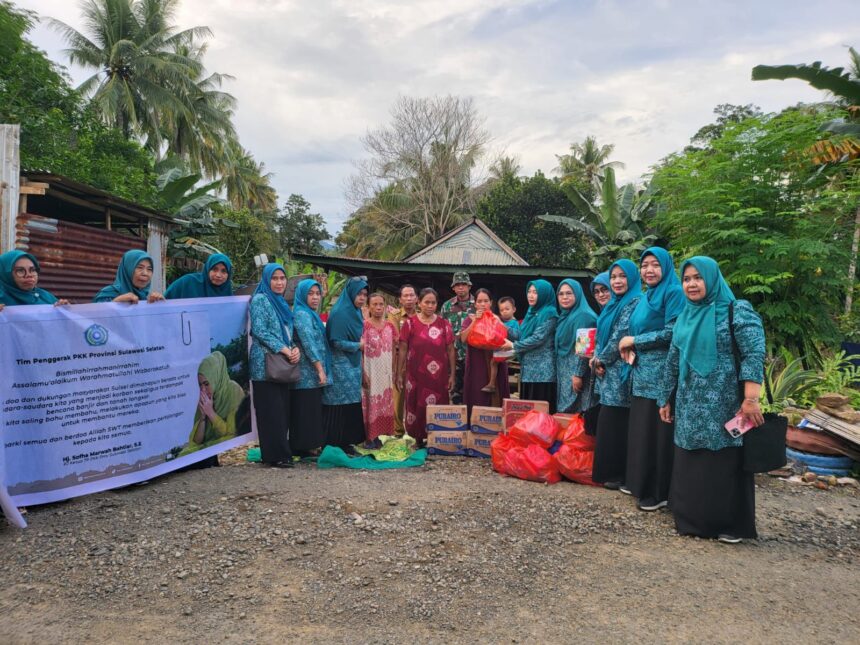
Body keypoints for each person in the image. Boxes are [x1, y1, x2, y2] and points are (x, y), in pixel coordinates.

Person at [659, 257, 765, 544]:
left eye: (698, 278)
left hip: (726, 402)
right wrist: (664, 398)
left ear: (712, 279)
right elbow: (673, 359)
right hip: (690, 403)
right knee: (691, 459)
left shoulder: (736, 311)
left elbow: (754, 354)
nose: (691, 284)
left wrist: (751, 399)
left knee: (723, 461)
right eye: (686, 279)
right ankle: (692, 520)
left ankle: (728, 524)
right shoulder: (685, 315)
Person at [618, 248, 685, 511]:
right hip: (641, 373)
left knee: (659, 434)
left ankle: (660, 492)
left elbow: (673, 332)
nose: (649, 270)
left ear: (666, 267)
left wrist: (636, 341)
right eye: (644, 265)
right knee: (643, 432)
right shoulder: (647, 296)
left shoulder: (674, 292)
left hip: (662, 375)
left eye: (655, 265)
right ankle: (641, 483)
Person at [591, 259, 641, 489]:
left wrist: (601, 359)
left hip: (622, 372)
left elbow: (620, 335)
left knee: (616, 422)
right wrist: (595, 358)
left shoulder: (634, 302)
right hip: (606, 372)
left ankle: (618, 473)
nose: (617, 281)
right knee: (611, 421)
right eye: (614, 277)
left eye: (622, 277)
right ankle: (612, 473)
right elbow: (602, 338)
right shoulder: (613, 306)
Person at [249, 263, 301, 468]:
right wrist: (285, 349)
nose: (279, 283)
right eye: (275, 278)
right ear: (266, 280)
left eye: (282, 278)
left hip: (281, 363)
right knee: (270, 410)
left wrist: (294, 348)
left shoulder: (281, 303)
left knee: (281, 410)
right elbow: (260, 331)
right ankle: (273, 455)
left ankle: (282, 452)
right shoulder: (260, 299)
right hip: (264, 364)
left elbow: (287, 333)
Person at [397, 287, 456, 446]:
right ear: (419, 303)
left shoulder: (444, 324)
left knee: (438, 403)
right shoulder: (410, 324)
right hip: (415, 375)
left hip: (439, 376)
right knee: (416, 403)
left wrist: (452, 375)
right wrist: (398, 373)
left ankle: (436, 438)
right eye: (427, 302)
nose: (430, 306)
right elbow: (402, 349)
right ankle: (418, 438)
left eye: (433, 303)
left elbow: (451, 350)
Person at [323, 276, 369, 452]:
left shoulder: (355, 312)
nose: (362, 298)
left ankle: (348, 442)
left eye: (365, 294)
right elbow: (335, 341)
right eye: (359, 294)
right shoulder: (340, 313)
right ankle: (335, 442)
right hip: (339, 366)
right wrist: (359, 345)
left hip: (352, 366)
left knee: (350, 406)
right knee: (338, 406)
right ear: (350, 293)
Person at [290, 278, 332, 458]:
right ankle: (304, 446)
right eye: (310, 294)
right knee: (306, 408)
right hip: (306, 372)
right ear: (301, 295)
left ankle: (309, 445)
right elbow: (308, 343)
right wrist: (319, 368)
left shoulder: (310, 313)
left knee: (311, 407)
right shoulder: (301, 314)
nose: (315, 298)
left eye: (318, 293)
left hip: (311, 372)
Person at [501, 280, 558, 410]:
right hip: (528, 370)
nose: (531, 295)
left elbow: (538, 338)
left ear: (544, 294)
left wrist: (514, 346)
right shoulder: (531, 312)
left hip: (543, 373)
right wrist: (501, 325)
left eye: (535, 292)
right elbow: (521, 334)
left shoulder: (549, 313)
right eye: (529, 292)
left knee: (540, 413)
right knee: (528, 413)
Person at [179, 351, 245, 456]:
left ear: (216, 377)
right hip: (211, 445)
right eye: (200, 385)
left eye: (206, 384)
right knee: (184, 454)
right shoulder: (205, 399)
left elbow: (231, 433)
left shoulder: (233, 390)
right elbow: (196, 442)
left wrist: (211, 413)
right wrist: (203, 418)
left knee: (229, 440)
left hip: (229, 443)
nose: (203, 390)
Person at [555, 279, 599, 426]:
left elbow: (584, 349)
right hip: (566, 371)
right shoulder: (566, 315)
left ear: (578, 294)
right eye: (561, 294)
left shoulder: (584, 316)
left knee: (577, 413)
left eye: (569, 293)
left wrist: (578, 374)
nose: (564, 297)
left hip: (577, 372)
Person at [460, 288, 511, 415]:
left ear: (491, 303)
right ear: (475, 304)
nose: (483, 304)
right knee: (476, 393)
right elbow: (463, 338)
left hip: (495, 362)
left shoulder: (496, 319)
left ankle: (497, 427)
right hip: (476, 363)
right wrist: (475, 321)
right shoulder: (469, 319)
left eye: (486, 301)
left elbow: (506, 338)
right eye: (480, 301)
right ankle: (475, 424)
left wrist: (499, 323)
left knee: (497, 395)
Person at [362, 293, 399, 448]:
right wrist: (363, 373)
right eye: (374, 304)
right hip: (370, 370)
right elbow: (360, 350)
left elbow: (394, 349)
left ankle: (377, 436)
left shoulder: (390, 326)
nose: (378, 308)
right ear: (369, 307)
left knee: (383, 404)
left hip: (385, 372)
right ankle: (368, 437)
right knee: (370, 403)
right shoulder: (364, 325)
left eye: (381, 305)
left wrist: (394, 371)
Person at [388, 284, 418, 436]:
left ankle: (417, 430)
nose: (409, 299)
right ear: (400, 300)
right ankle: (397, 430)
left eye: (412, 295)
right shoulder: (394, 316)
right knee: (398, 395)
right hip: (401, 361)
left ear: (417, 299)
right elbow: (396, 338)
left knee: (417, 394)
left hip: (419, 361)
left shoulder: (421, 315)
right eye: (405, 296)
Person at [441, 272, 475, 404]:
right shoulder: (447, 306)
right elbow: (442, 331)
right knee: (454, 394)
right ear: (453, 287)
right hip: (453, 357)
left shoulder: (478, 305)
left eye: (464, 284)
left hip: (472, 355)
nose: (461, 287)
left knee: (472, 392)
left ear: (469, 286)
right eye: (458, 285)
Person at [0, 250, 69, 307]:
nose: (29, 275)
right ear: (5, 274)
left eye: (32, 270)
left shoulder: (45, 297)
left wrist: (65, 311)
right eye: (20, 270)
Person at [93, 250, 165, 303]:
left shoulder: (144, 297)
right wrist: (116, 302)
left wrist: (157, 306)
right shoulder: (108, 294)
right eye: (139, 267)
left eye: (149, 269)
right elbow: (98, 319)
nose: (145, 273)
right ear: (128, 269)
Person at [165, 253, 233, 299]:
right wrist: (156, 299)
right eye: (214, 269)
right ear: (207, 269)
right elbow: (165, 300)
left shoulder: (227, 290)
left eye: (224, 271)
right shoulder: (188, 282)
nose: (218, 275)